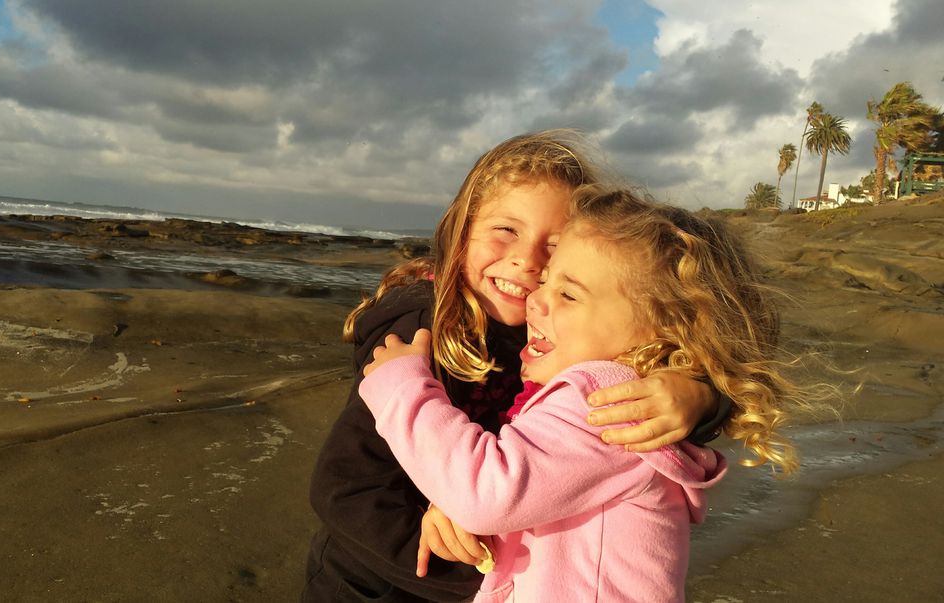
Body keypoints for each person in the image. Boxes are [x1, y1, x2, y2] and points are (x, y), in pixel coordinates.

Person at [302, 131, 725, 602]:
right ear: (461, 228)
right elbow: (345, 485)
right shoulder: (419, 332)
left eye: (555, 247)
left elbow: (640, 399)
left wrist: (699, 396)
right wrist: (478, 576)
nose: (527, 260)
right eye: (506, 230)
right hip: (371, 585)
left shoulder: (562, 333)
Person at [358, 186, 804, 602]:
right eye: (548, 279)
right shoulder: (623, 395)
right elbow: (534, 490)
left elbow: (489, 491)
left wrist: (401, 386)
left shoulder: (606, 401)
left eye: (569, 294)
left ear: (666, 329)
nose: (537, 298)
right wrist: (453, 500)